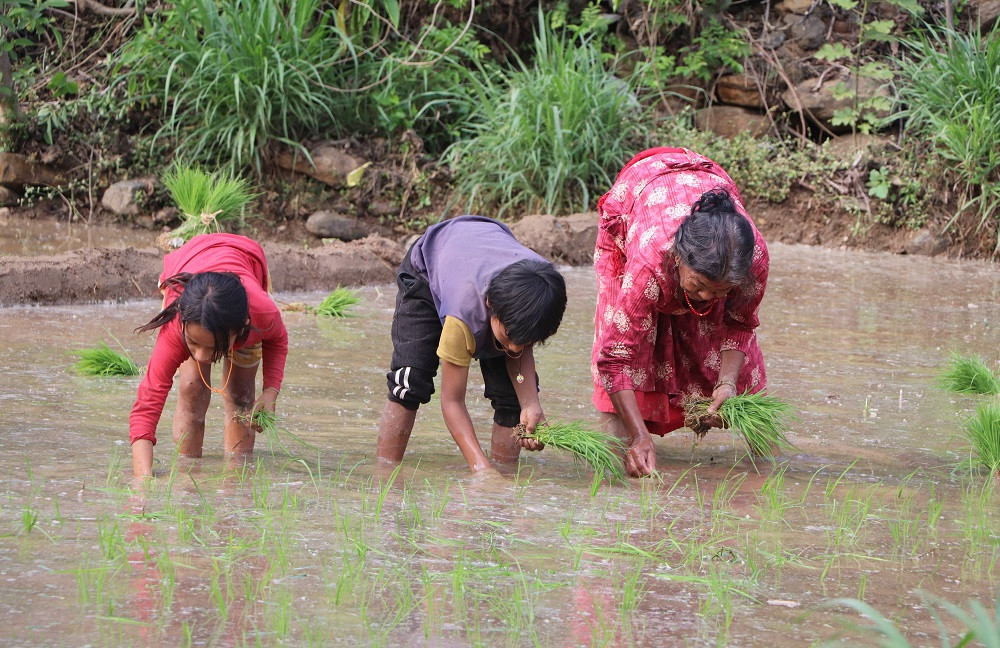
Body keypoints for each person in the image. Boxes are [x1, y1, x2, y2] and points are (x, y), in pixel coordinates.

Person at [592, 147, 769, 477]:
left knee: (745, 378)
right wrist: (639, 436)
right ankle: (620, 463)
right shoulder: (649, 262)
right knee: (623, 340)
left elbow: (740, 323)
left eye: (722, 292)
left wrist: (727, 383)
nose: (708, 298)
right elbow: (615, 358)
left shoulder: (752, 258)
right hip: (639, 200)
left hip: (705, 202)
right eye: (699, 285)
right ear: (678, 259)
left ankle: (763, 473)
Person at [376, 215, 568, 472]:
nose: (514, 350)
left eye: (525, 343)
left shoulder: (540, 294)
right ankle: (385, 472)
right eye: (509, 338)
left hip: (484, 252)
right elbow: (452, 402)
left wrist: (531, 405)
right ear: (490, 306)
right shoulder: (464, 314)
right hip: (429, 267)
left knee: (511, 396)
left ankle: (507, 477)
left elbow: (519, 354)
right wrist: (480, 468)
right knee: (410, 380)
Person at [129, 233, 288, 478]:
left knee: (241, 397)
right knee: (192, 388)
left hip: (244, 270)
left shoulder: (261, 314)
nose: (202, 356)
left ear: (243, 329)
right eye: (194, 343)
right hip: (193, 275)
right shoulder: (178, 324)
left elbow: (277, 340)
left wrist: (270, 391)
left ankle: (237, 482)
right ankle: (186, 477)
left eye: (214, 348)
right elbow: (147, 404)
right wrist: (142, 481)